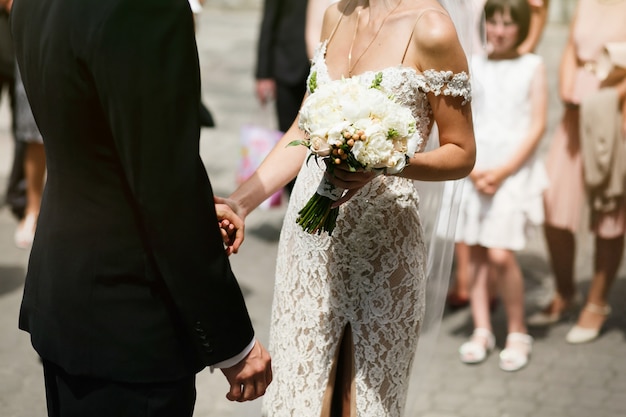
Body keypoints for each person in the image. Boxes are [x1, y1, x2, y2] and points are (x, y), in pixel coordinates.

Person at [10, 0, 271, 415]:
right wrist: (233, 342)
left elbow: (101, 142)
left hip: (64, 293)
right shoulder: (144, 6)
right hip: (130, 315)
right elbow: (165, 184)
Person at [223, 0, 476, 415]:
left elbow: (462, 152)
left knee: (365, 405)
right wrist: (241, 201)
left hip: (383, 242)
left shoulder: (431, 29)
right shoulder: (335, 14)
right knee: (299, 401)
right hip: (309, 242)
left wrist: (389, 163)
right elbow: (304, 125)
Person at [455, 0, 547, 372]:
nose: (499, 30)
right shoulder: (474, 65)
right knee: (475, 250)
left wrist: (504, 171)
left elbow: (537, 124)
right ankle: (481, 329)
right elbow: (464, 120)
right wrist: (475, 170)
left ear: (521, 28)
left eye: (508, 24)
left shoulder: (532, 66)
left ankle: (517, 330)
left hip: (512, 170)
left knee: (500, 253)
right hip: (477, 167)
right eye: (494, 21)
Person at [528, 0, 626, 344]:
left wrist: (607, 97)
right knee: (553, 207)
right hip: (574, 118)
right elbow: (571, 46)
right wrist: (566, 84)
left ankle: (597, 303)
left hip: (613, 116)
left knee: (609, 212)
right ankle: (566, 293)